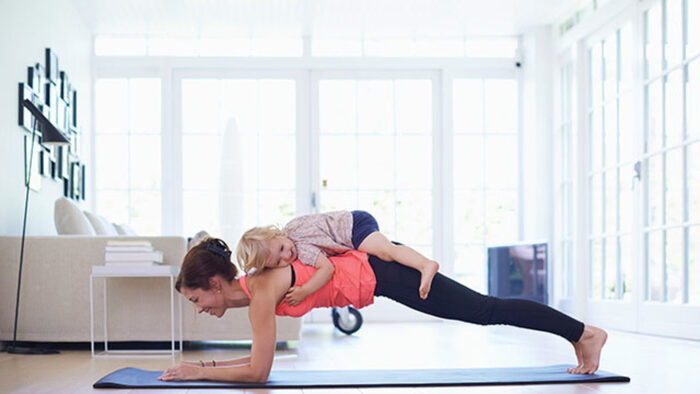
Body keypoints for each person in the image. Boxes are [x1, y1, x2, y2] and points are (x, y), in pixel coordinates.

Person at [159, 237, 608, 383]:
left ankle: (584, 332)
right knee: (485, 309)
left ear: (215, 284)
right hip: (379, 278)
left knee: (485, 310)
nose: (199, 310)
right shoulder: (257, 289)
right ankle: (578, 334)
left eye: (198, 300)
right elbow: (261, 364)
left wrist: (200, 371)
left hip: (385, 274)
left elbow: (259, 373)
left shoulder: (258, 293)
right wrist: (206, 365)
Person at [236, 210, 439, 302]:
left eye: (281, 248)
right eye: (278, 261)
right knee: (385, 252)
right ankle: (423, 264)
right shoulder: (293, 227)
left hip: (354, 228)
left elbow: (327, 269)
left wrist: (304, 291)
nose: (286, 256)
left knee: (386, 252)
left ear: (277, 233)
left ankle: (425, 265)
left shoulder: (302, 248)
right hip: (353, 219)